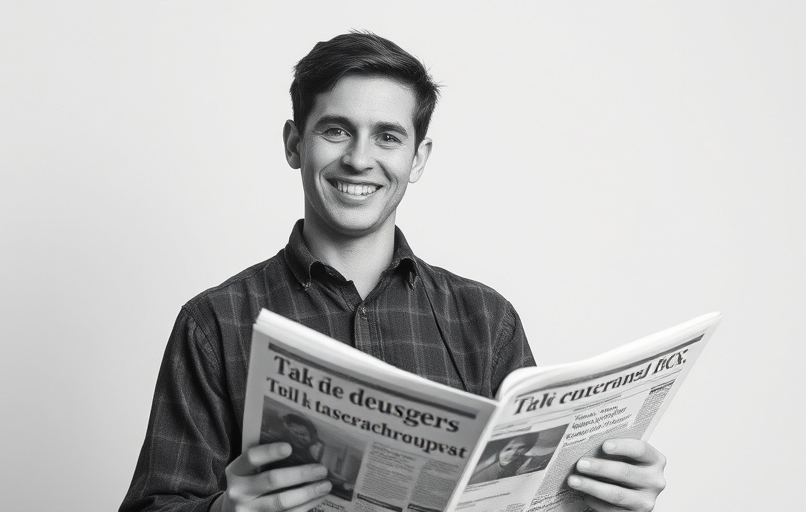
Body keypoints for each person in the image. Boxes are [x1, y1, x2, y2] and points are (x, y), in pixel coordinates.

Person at [120, 32, 668, 512]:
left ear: (418, 158)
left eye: (387, 136)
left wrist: (605, 503)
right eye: (336, 130)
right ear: (294, 143)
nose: (360, 159)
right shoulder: (215, 322)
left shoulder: (486, 320)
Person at [467, 433, 540, 485]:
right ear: (499, 448)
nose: (513, 454)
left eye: (520, 448)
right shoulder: (485, 471)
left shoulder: (526, 461)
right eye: (508, 449)